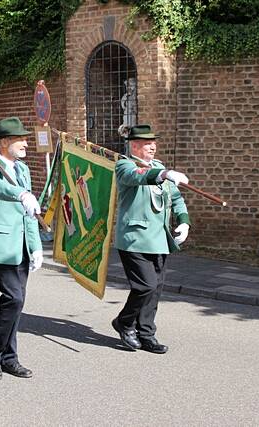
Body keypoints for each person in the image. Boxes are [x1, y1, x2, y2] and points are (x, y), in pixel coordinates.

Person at [111, 124, 190, 354]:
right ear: (134, 145)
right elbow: (136, 177)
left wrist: (184, 220)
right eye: (147, 143)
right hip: (134, 239)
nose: (153, 147)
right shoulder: (125, 165)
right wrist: (164, 174)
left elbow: (175, 197)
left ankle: (146, 333)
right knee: (145, 285)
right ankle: (124, 323)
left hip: (160, 239)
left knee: (155, 290)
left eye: (154, 142)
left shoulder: (159, 167)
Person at [0, 117, 43, 380]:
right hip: (2, 244)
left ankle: (8, 357)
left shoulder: (23, 169)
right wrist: (20, 194)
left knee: (17, 303)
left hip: (23, 245)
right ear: (4, 142)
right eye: (20, 139)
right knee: (13, 298)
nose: (26, 143)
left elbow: (28, 213)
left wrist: (36, 246)